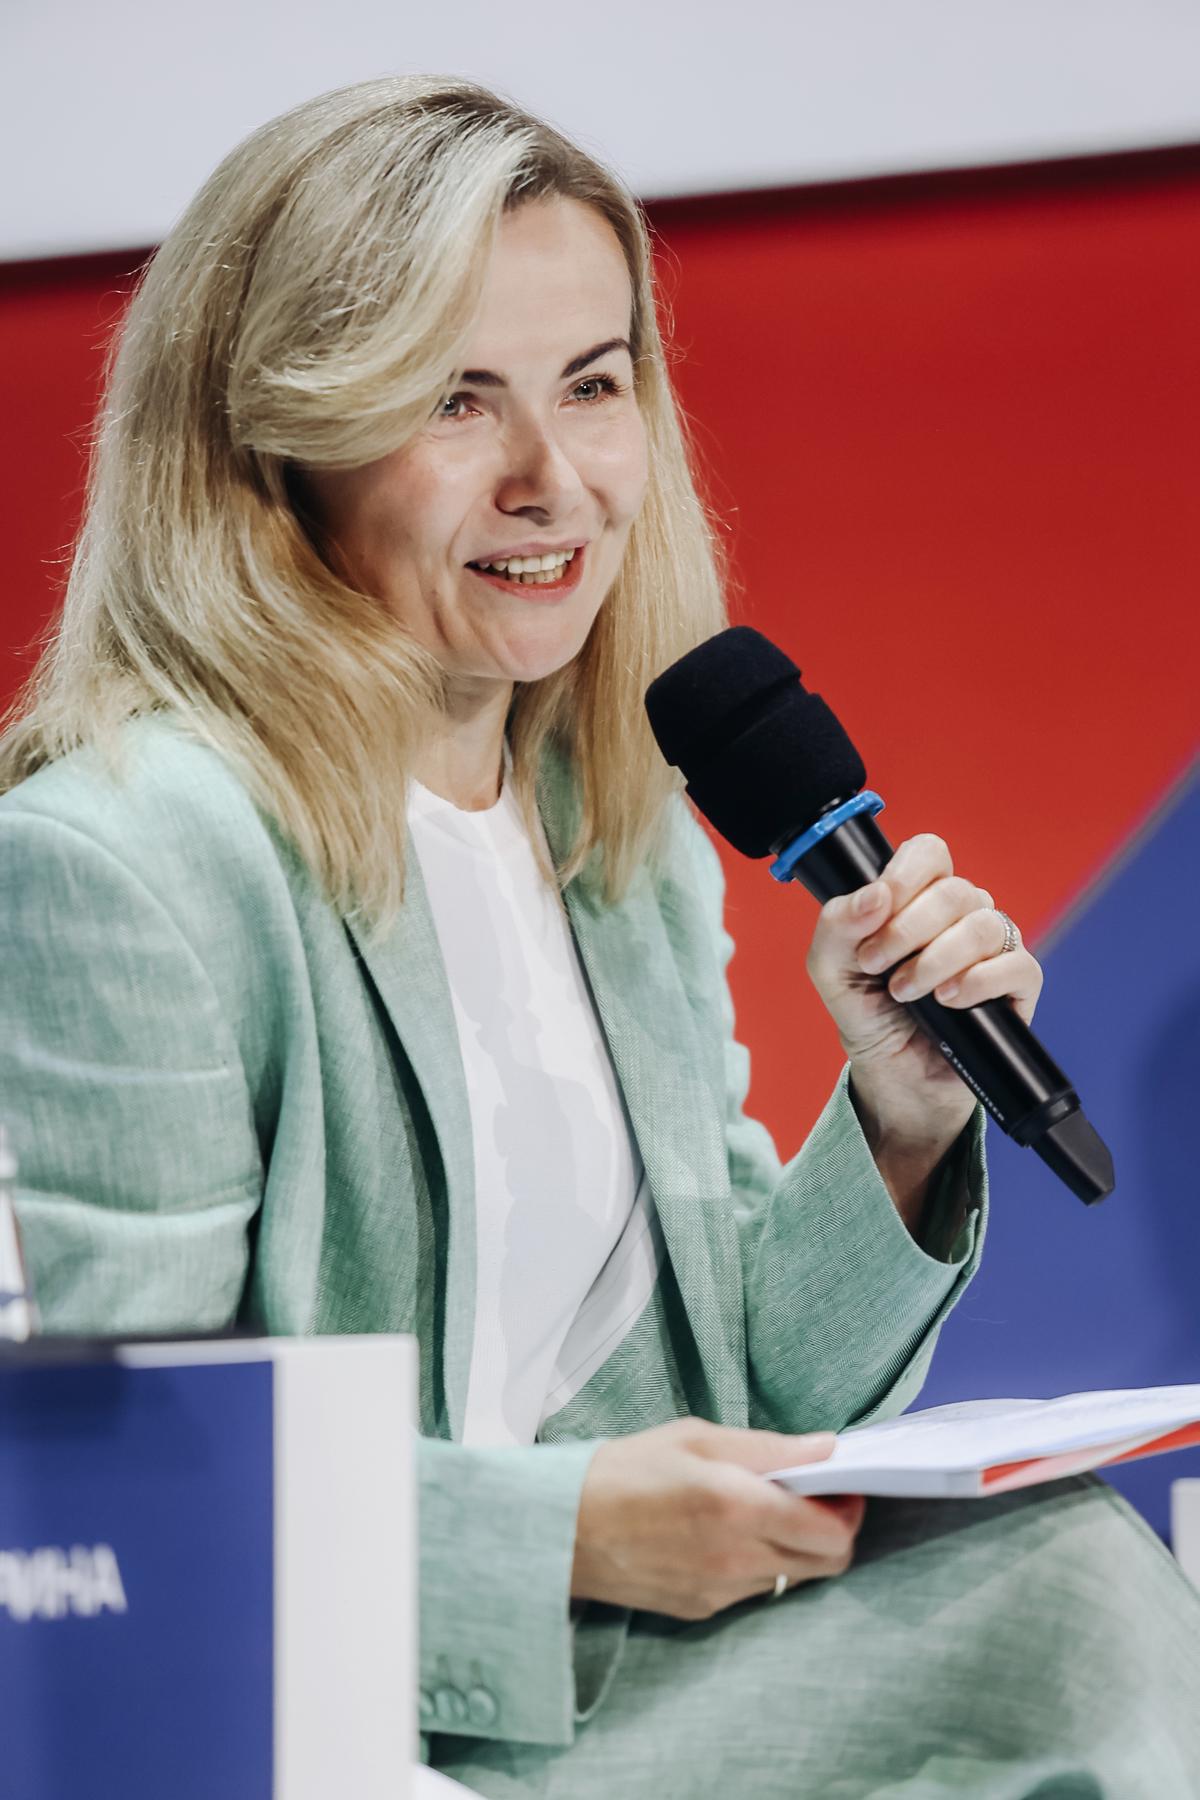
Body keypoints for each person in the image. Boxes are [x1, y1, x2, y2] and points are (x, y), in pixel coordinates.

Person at [1, 75, 1197, 1798]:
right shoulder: (129, 860)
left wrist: (900, 1118)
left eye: (593, 383)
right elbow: (107, 1506)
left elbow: (749, 1392)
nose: (553, 480)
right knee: (1061, 1613)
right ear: (280, 443)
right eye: (454, 398)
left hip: (631, 1687)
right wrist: (559, 1533)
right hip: (352, 1725)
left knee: (1055, 1565)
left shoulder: (615, 825)